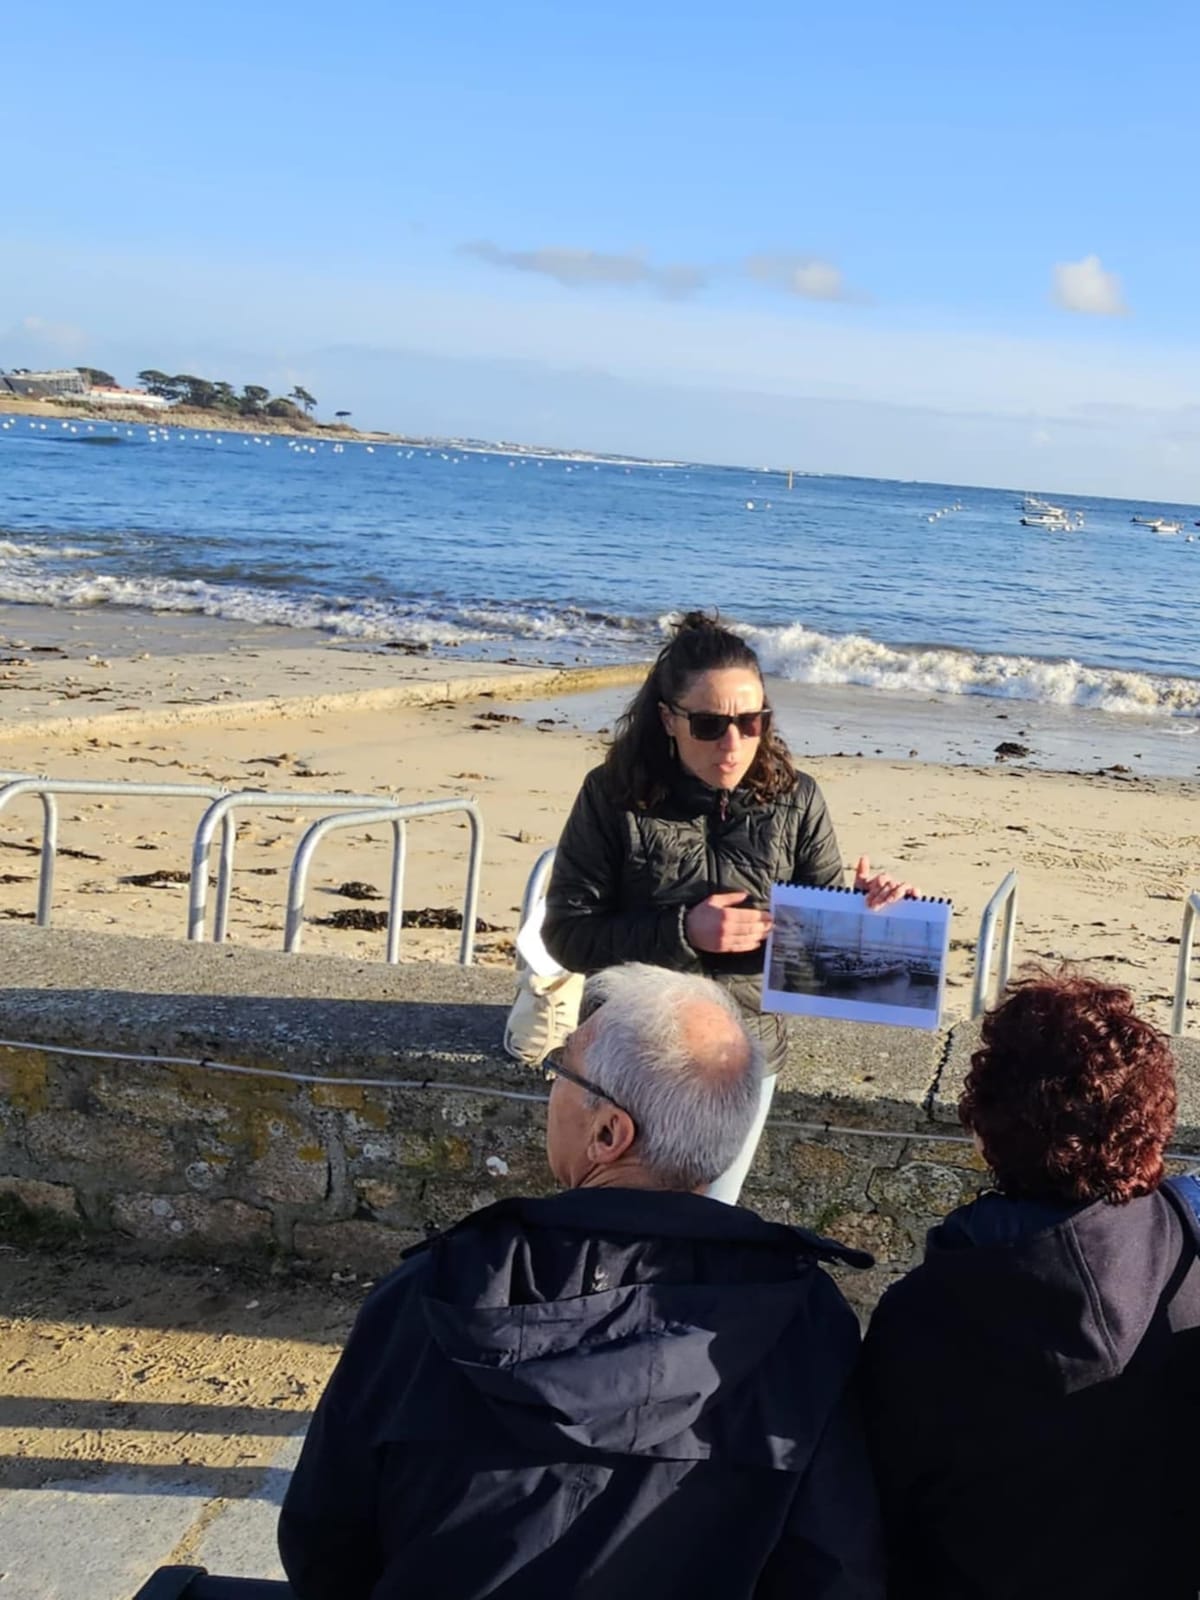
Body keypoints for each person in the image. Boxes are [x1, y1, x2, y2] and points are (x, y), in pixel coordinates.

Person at [279, 963, 884, 1600]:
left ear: (608, 1133)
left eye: (561, 1072)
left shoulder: (434, 1290)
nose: (551, 1090)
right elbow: (833, 1568)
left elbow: (325, 1538)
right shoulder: (805, 1316)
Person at [541, 611, 912, 1195]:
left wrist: (871, 913)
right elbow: (565, 934)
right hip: (624, 1061)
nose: (733, 743)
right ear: (668, 719)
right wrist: (683, 932)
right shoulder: (612, 795)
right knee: (601, 1218)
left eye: (751, 720)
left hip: (738, 1062)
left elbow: (821, 951)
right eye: (710, 724)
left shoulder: (798, 798)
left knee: (709, 1220)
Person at [860, 969, 1200, 1600]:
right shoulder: (1190, 1268)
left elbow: (882, 1507)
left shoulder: (921, 1315)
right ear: (1155, 1124)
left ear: (987, 1127)